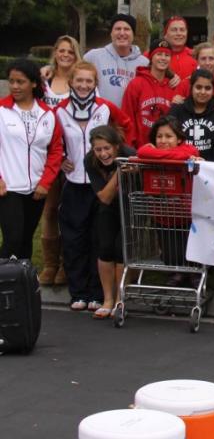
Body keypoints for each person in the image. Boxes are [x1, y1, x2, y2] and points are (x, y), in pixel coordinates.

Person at [55, 61, 133, 311]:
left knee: (99, 241)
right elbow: (53, 142)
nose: (84, 85)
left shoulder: (105, 107)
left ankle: (98, 294)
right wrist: (60, 160)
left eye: (89, 81)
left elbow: (126, 126)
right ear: (71, 82)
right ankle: (78, 292)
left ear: (95, 83)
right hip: (74, 182)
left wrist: (120, 155)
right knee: (73, 239)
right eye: (79, 80)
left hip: (99, 182)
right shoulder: (59, 111)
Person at [0, 59, 63, 261]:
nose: (15, 86)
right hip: (8, 188)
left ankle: (22, 289)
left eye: (21, 82)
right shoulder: (1, 110)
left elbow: (55, 151)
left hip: (37, 189)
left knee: (26, 240)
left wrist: (45, 183)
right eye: (12, 81)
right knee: (13, 239)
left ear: (34, 83)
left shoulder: (48, 114)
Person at [136, 116, 202, 287]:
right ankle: (177, 273)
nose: (163, 140)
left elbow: (189, 153)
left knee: (190, 246)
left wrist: (158, 155)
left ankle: (194, 274)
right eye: (159, 136)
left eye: (168, 136)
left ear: (179, 138)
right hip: (162, 213)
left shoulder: (188, 149)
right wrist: (170, 156)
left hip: (186, 212)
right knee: (170, 249)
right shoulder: (150, 149)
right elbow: (142, 152)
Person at [39, 35, 82, 286]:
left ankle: (67, 263)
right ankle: (50, 264)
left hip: (72, 154)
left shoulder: (81, 80)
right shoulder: (44, 80)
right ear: (55, 52)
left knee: (70, 212)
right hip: (47, 154)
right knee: (50, 209)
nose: (65, 55)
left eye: (70, 52)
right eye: (61, 51)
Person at [84, 126, 136, 319]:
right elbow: (104, 197)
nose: (103, 154)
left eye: (107, 148)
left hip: (131, 204)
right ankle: (107, 299)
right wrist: (120, 171)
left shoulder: (130, 154)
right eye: (98, 150)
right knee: (105, 248)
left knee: (121, 250)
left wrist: (131, 166)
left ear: (116, 146)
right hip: (108, 204)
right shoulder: (90, 161)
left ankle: (119, 299)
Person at [83, 13, 148, 107]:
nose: (122, 33)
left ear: (133, 34)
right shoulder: (93, 57)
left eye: (126, 29)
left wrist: (172, 76)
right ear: (111, 33)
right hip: (100, 119)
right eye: (117, 29)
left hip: (129, 119)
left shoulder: (144, 63)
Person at [121, 39, 177, 148]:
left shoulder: (173, 86)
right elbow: (127, 117)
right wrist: (129, 147)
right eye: (159, 54)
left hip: (167, 150)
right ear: (151, 57)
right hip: (140, 148)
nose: (163, 58)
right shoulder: (136, 84)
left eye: (167, 55)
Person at [168, 69, 214, 162]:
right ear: (191, 87)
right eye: (198, 87)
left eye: (208, 88)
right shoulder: (177, 110)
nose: (203, 92)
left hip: (211, 170)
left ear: (213, 90)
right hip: (181, 166)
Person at [173, 42, 214, 106]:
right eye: (203, 59)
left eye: (211, 58)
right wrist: (175, 102)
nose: (207, 63)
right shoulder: (185, 84)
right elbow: (174, 112)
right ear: (196, 60)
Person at [160, 16, 197, 80]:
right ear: (165, 34)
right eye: (174, 30)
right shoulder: (153, 55)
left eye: (182, 30)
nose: (179, 33)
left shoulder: (195, 55)